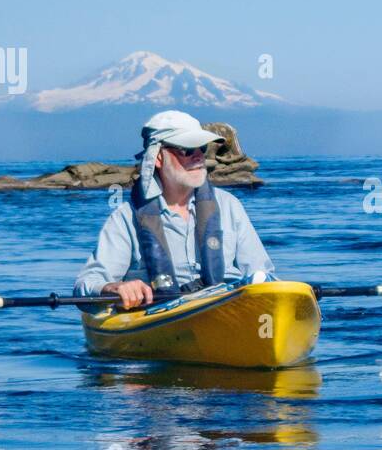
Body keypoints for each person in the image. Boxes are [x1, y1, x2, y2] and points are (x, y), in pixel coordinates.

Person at [74, 110, 275, 309]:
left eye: (202, 148)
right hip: (160, 314)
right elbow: (87, 283)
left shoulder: (229, 206)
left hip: (229, 310)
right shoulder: (125, 218)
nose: (198, 157)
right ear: (159, 158)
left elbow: (262, 274)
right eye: (186, 150)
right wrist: (114, 287)